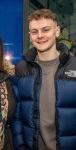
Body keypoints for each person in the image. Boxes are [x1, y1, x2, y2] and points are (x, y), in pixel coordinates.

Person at [11, 8, 76, 150]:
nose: (40, 36)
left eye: (45, 30)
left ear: (57, 31)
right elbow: (16, 115)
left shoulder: (74, 66)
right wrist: (21, 146)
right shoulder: (22, 69)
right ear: (30, 35)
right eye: (34, 32)